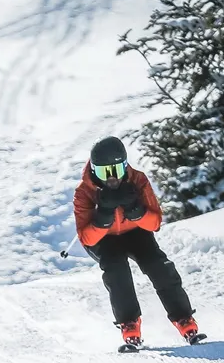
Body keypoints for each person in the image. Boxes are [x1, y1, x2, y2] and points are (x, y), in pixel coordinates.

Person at [74, 137, 203, 350]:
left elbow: (155, 223)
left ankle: (184, 318)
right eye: (105, 172)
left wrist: (136, 211)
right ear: (94, 170)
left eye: (117, 169)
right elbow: (87, 238)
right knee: (116, 270)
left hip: (135, 232)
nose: (113, 178)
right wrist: (103, 217)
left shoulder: (138, 180)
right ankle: (129, 323)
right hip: (103, 239)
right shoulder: (84, 192)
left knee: (157, 265)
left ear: (125, 165)